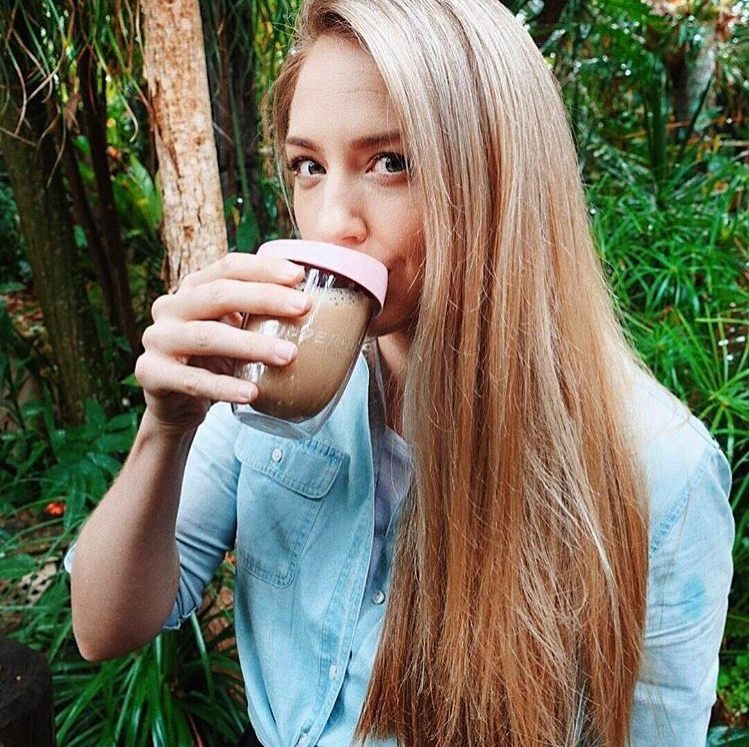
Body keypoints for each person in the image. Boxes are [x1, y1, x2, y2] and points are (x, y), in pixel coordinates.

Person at [68, 0, 735, 745]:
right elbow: (105, 627)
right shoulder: (275, 367)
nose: (329, 222)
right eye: (308, 166)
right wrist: (166, 425)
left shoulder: (656, 470)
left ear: (499, 175)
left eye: (391, 163)